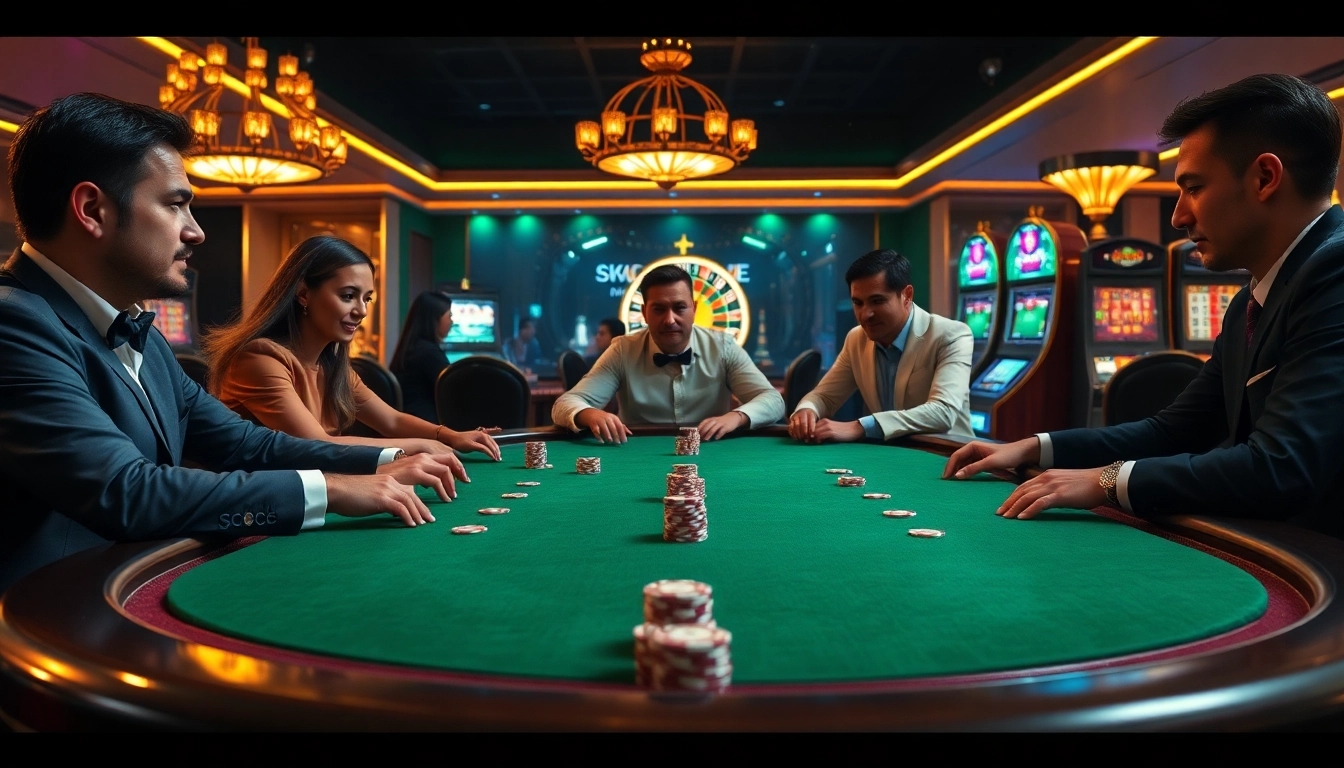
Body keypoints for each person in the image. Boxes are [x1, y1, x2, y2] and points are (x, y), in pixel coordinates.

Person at [0, 93, 462, 594]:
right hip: (42, 622)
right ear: (92, 209)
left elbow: (246, 443)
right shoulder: (14, 323)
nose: (196, 232)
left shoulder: (143, 335)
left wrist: (383, 461)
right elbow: (124, 490)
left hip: (129, 586)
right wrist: (328, 488)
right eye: (176, 204)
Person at [942, 73, 1344, 540]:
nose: (1178, 216)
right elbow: (1171, 431)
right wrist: (1035, 446)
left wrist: (1105, 481)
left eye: (1193, 188)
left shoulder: (1334, 272)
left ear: (1264, 178)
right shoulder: (1250, 303)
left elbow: (1282, 468)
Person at [206, 237, 501, 461]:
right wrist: (422, 446)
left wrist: (450, 435)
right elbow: (315, 445)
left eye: (367, 299)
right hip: (252, 516)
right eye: (349, 296)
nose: (361, 311)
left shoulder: (330, 363)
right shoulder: (258, 358)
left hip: (311, 491)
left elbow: (391, 420)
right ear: (303, 293)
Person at [552, 264, 785, 442]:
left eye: (679, 307)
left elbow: (773, 401)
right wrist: (590, 414)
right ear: (644, 312)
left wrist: (735, 417)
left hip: (711, 453)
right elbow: (565, 404)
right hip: (634, 456)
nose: (670, 319)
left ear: (694, 309)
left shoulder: (723, 346)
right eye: (659, 309)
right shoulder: (622, 350)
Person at [789, 250, 974, 444]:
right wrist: (807, 410)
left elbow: (943, 413)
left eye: (877, 301)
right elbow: (825, 397)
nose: (865, 314)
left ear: (906, 295)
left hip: (947, 456)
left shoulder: (952, 335)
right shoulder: (856, 339)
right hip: (887, 458)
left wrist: (858, 427)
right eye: (858, 303)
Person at [388, 290, 455, 424]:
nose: (452, 321)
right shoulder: (429, 353)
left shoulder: (410, 347)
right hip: (427, 428)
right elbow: (453, 391)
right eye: (449, 315)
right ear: (435, 319)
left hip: (410, 424)